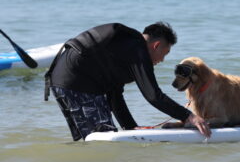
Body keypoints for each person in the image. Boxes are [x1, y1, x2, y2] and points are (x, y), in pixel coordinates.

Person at [44, 22, 211, 141]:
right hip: (77, 83)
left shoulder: (124, 46)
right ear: (156, 45)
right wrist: (189, 117)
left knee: (93, 138)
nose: (162, 60)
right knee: (103, 139)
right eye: (165, 53)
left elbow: (114, 94)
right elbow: (153, 95)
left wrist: (130, 127)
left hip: (63, 80)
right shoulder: (137, 50)